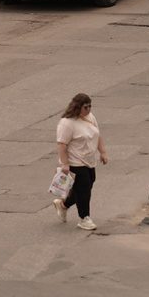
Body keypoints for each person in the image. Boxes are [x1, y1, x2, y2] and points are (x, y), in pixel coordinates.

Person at [54, 92, 108, 231]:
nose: (89, 110)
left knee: (88, 184)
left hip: (89, 160)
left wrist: (103, 152)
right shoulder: (67, 123)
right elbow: (61, 145)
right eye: (86, 107)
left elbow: (97, 134)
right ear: (77, 107)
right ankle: (84, 218)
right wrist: (65, 164)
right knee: (84, 190)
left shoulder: (90, 117)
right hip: (75, 162)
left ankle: (63, 205)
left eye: (90, 106)